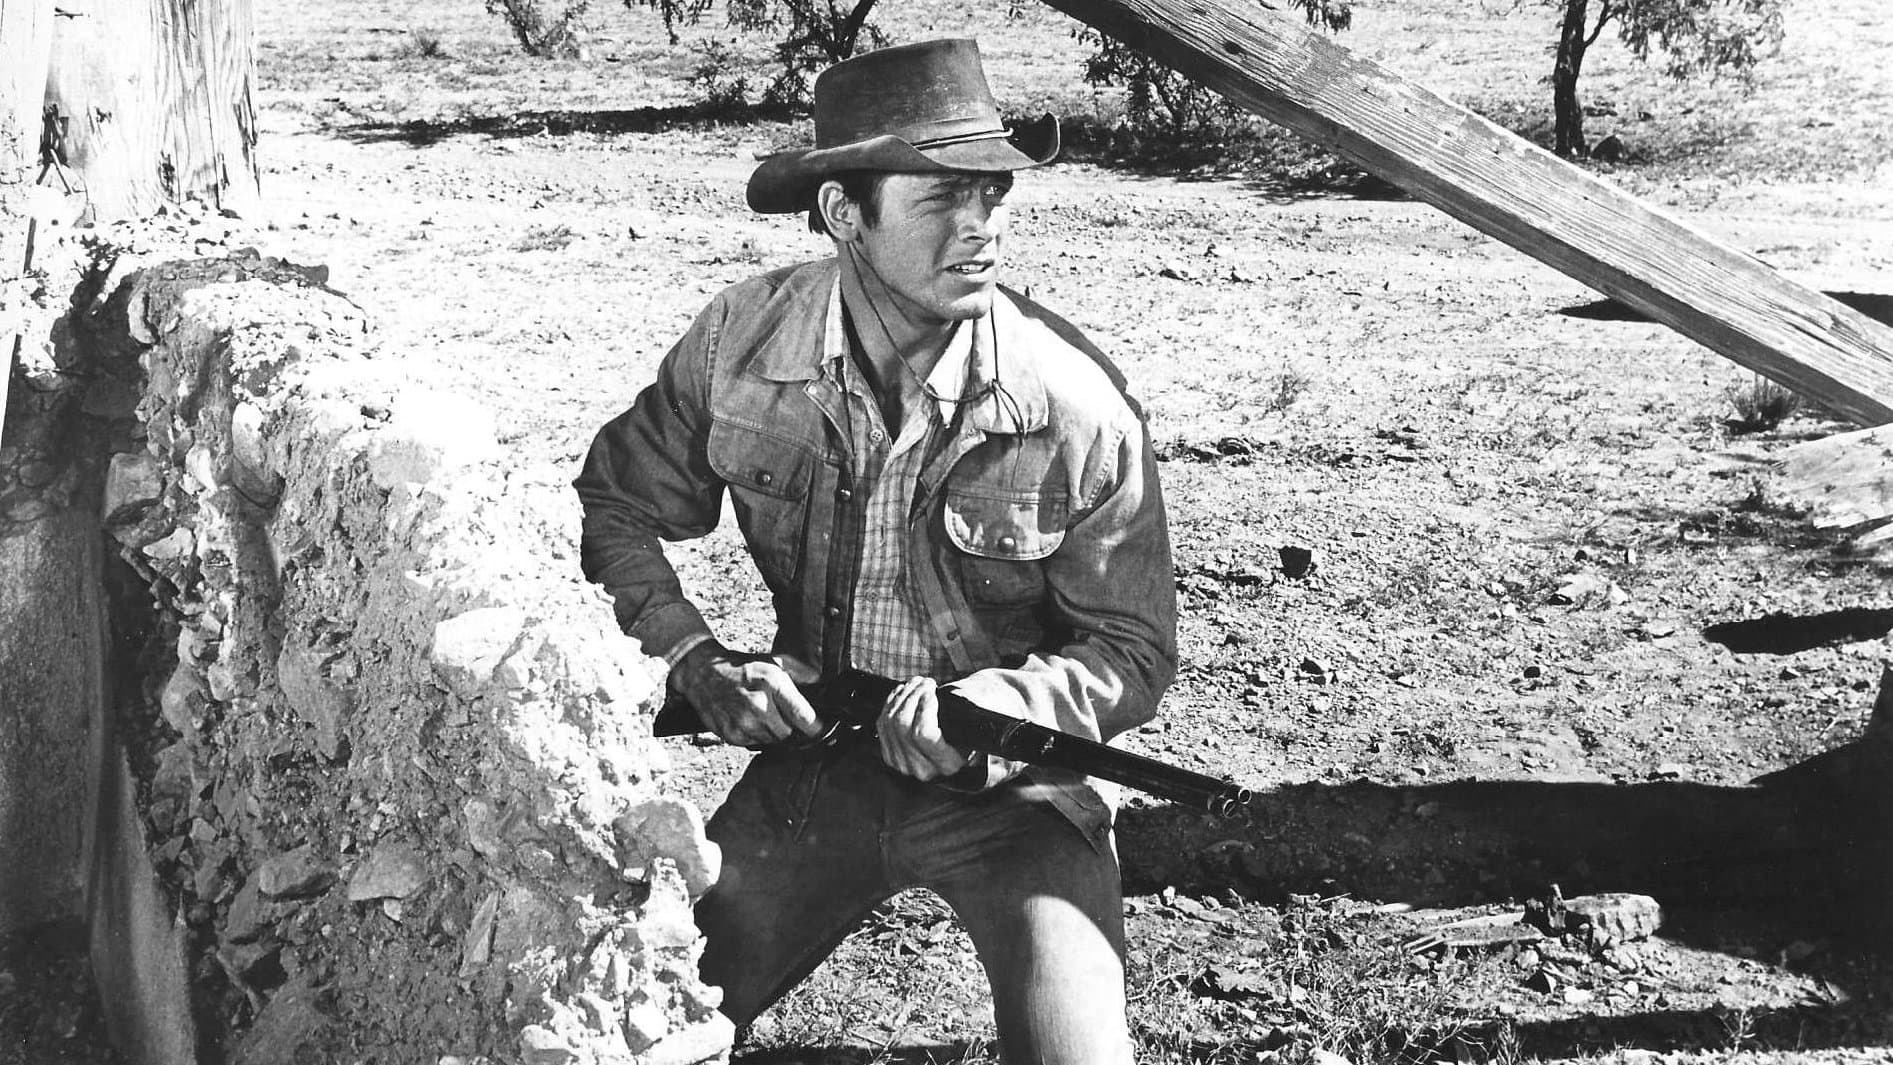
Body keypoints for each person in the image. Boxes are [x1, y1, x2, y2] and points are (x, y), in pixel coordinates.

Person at [573, 37, 1176, 1065]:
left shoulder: (1077, 406)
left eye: (992, 192)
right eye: (942, 198)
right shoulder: (739, 343)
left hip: (1015, 794)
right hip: (817, 768)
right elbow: (613, 506)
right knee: (638, 1032)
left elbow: (1131, 647)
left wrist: (997, 709)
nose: (982, 225)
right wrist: (696, 663)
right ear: (844, 213)